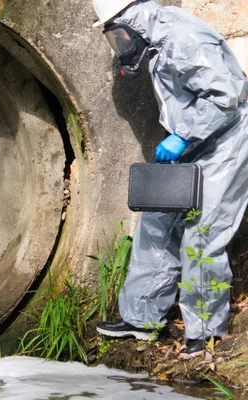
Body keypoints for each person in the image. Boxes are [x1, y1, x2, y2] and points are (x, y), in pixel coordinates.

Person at [91, 0, 248, 354]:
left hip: (226, 142)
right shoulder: (159, 39)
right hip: (193, 138)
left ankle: (205, 332)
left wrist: (183, 134)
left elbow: (226, 97)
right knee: (156, 221)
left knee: (202, 232)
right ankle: (141, 319)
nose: (120, 44)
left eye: (120, 35)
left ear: (135, 20)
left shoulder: (186, 38)